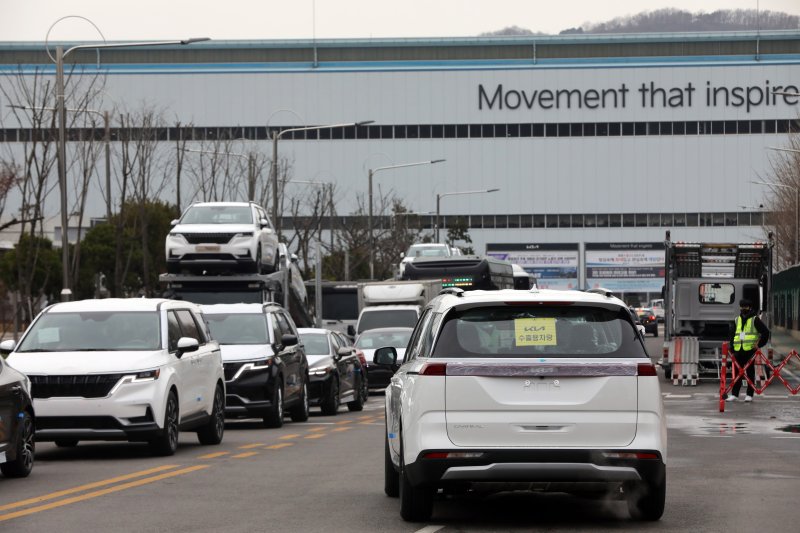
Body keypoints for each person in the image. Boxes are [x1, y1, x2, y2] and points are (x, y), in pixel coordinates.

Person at [727, 298, 770, 403]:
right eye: (741, 307)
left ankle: (749, 394)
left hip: (750, 350)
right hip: (738, 350)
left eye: (745, 307)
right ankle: (734, 394)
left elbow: (765, 332)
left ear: (750, 308)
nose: (742, 309)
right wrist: (732, 348)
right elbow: (733, 335)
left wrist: (759, 344)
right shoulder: (737, 319)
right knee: (737, 373)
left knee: (750, 372)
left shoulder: (755, 319)